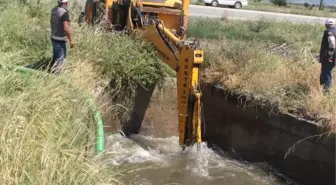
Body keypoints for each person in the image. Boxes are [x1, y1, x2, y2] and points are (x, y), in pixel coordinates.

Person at [49, 0, 75, 74]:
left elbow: (52, 22)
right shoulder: (64, 13)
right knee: (61, 60)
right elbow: (66, 28)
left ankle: (51, 71)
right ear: (66, 3)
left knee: (55, 57)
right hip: (60, 40)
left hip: (53, 37)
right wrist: (71, 40)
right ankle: (55, 77)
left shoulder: (53, 10)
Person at [319, 18, 336, 92]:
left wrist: (330, 55)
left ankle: (327, 94)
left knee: (326, 74)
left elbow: (332, 43)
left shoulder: (329, 32)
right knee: (325, 73)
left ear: (326, 25)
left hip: (329, 57)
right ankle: (323, 89)